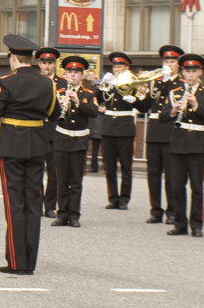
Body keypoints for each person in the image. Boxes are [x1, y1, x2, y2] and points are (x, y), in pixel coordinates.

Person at [0, 34, 61, 275]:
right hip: (37, 147)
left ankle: (17, 262)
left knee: (14, 205)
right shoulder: (48, 83)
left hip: (12, 148)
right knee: (33, 203)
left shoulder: (6, 83)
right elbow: (54, 113)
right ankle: (30, 262)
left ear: (15, 59)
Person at [161, 54, 204, 237]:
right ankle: (180, 224)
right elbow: (162, 117)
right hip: (178, 143)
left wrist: (195, 105)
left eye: (194, 71)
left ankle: (197, 225)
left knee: (197, 188)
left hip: (197, 144)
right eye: (187, 71)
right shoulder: (175, 91)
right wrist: (173, 110)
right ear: (183, 72)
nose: (191, 75)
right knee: (177, 186)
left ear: (200, 72)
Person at [135, 45, 183, 224]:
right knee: (153, 174)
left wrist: (167, 80)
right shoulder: (155, 82)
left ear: (178, 64)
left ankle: (172, 210)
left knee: (171, 175)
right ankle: (156, 210)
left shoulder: (180, 83)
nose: (169, 65)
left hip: (171, 132)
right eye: (166, 61)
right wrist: (140, 96)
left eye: (172, 62)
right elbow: (144, 107)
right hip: (154, 132)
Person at [50, 56, 97, 228]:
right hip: (62, 139)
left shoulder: (88, 94)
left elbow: (94, 112)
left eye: (76, 72)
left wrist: (77, 103)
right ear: (65, 73)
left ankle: (74, 215)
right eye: (70, 72)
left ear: (82, 75)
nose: (73, 75)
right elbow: (49, 114)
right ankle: (61, 213)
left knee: (76, 180)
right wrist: (59, 107)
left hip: (79, 140)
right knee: (61, 179)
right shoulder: (59, 92)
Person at [96, 52, 139, 210]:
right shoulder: (110, 82)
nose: (117, 69)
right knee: (109, 166)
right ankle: (113, 197)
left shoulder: (132, 82)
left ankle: (124, 198)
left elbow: (138, 104)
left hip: (125, 127)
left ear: (127, 67)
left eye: (120, 66)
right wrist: (103, 85)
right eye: (115, 66)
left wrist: (132, 97)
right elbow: (98, 98)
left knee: (126, 166)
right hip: (108, 127)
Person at [35, 47, 63, 218]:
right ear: (39, 64)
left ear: (54, 65)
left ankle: (50, 205)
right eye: (44, 63)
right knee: (35, 171)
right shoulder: (35, 81)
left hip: (54, 131)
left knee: (54, 172)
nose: (47, 66)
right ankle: (36, 204)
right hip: (37, 130)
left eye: (50, 63)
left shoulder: (62, 83)